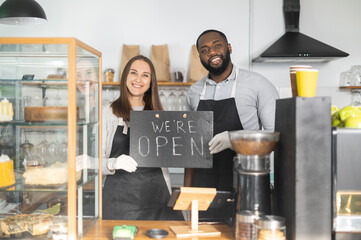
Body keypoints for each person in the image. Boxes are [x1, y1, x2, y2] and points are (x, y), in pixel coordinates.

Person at [184, 29, 279, 192]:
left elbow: (276, 136)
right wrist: (186, 192)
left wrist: (235, 139)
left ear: (229, 47)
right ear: (200, 57)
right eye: (204, 50)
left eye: (217, 45)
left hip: (246, 184)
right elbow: (190, 149)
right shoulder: (194, 92)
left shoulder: (258, 84)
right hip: (203, 188)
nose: (212, 52)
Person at [102, 55, 182, 220]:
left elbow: (170, 158)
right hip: (118, 203)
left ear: (151, 81)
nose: (138, 79)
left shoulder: (160, 114)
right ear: (125, 76)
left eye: (145, 75)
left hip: (157, 201)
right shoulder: (108, 113)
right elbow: (96, 161)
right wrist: (112, 163)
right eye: (133, 73)